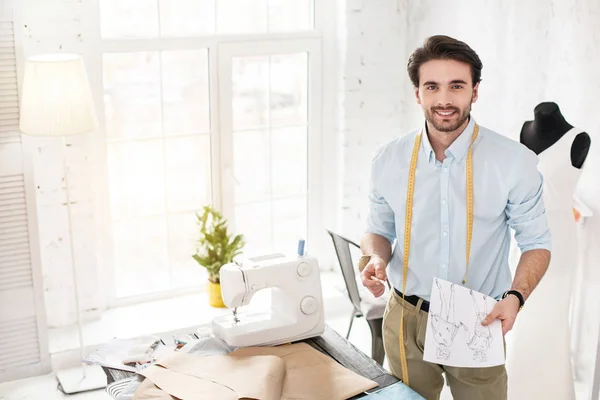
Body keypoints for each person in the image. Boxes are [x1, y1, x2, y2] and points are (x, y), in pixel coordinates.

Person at [359, 35, 552, 400]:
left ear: (475, 92)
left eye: (457, 86)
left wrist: (515, 297)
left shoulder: (514, 162)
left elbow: (537, 243)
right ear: (418, 93)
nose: (444, 100)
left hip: (478, 317)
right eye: (432, 86)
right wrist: (376, 258)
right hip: (406, 317)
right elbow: (377, 229)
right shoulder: (388, 160)